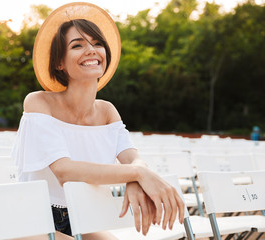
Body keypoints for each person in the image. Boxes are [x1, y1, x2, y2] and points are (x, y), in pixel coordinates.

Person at [12, 3, 184, 240]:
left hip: (83, 215)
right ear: (59, 63)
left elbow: (133, 158)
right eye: (77, 45)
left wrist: (136, 175)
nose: (91, 50)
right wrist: (135, 174)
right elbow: (64, 170)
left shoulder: (107, 111)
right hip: (33, 217)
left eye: (97, 43)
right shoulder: (38, 102)